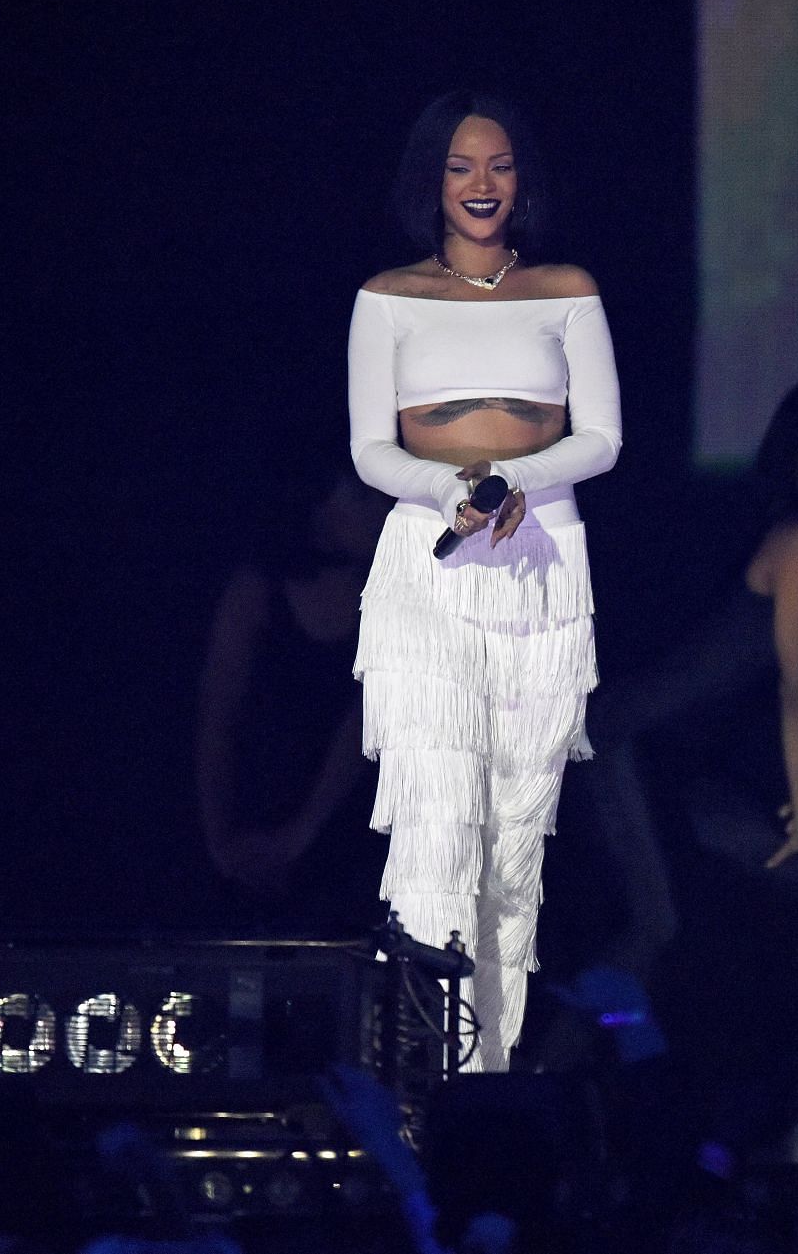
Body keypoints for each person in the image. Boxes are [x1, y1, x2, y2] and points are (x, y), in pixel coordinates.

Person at [347, 91, 622, 1071]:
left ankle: (486, 1086)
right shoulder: (387, 296)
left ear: (524, 179)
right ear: (431, 180)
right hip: (430, 562)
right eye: (462, 167)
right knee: (436, 825)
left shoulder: (565, 286)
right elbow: (371, 449)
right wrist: (450, 486)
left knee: (513, 848)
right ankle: (423, 1082)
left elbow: (602, 436)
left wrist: (515, 480)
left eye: (499, 166)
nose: (481, 185)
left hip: (542, 566)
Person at [574, 374, 798, 1132]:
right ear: (792, 464)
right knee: (657, 925)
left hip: (683, 763)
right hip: (620, 740)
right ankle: (528, 1091)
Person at [194, 470, 389, 925]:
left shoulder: (393, 598)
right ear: (319, 508)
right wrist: (218, 836)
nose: (384, 512)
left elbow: (365, 723)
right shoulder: (257, 590)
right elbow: (217, 713)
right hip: (256, 810)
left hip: (354, 825)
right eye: (365, 499)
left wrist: (302, 833)